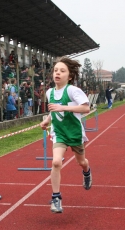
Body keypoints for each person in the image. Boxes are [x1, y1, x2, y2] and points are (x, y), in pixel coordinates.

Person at [39, 57, 92, 213]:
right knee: (56, 162)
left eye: (62, 71)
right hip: (59, 133)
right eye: (56, 70)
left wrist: (62, 107)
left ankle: (87, 171)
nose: (58, 73)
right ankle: (56, 198)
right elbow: (53, 110)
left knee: (81, 162)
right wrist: (47, 120)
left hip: (74, 133)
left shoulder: (72, 90)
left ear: (69, 76)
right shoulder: (49, 92)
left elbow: (86, 109)